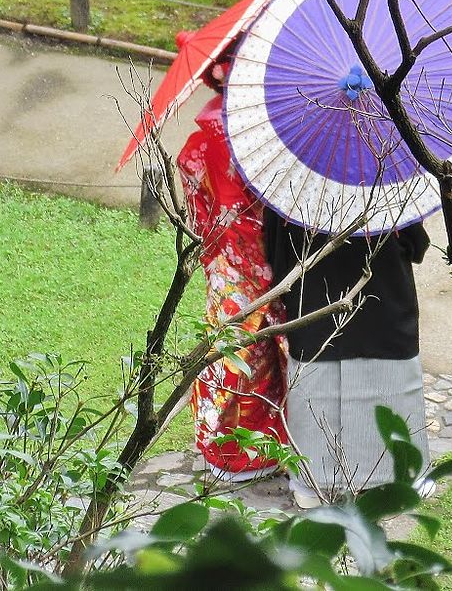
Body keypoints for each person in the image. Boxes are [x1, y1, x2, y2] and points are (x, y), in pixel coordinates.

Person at [264, 210, 431, 507]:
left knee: (314, 385)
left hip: (312, 300)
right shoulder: (385, 172)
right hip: (384, 294)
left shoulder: (294, 184)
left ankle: (312, 485)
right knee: (393, 385)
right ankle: (403, 475)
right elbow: (415, 245)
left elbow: (274, 252)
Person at [177, 48, 289, 481]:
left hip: (226, 263)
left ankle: (223, 444)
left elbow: (200, 213)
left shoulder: (198, 145)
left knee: (231, 351)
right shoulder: (262, 138)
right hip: (262, 259)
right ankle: (255, 448)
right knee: (263, 353)